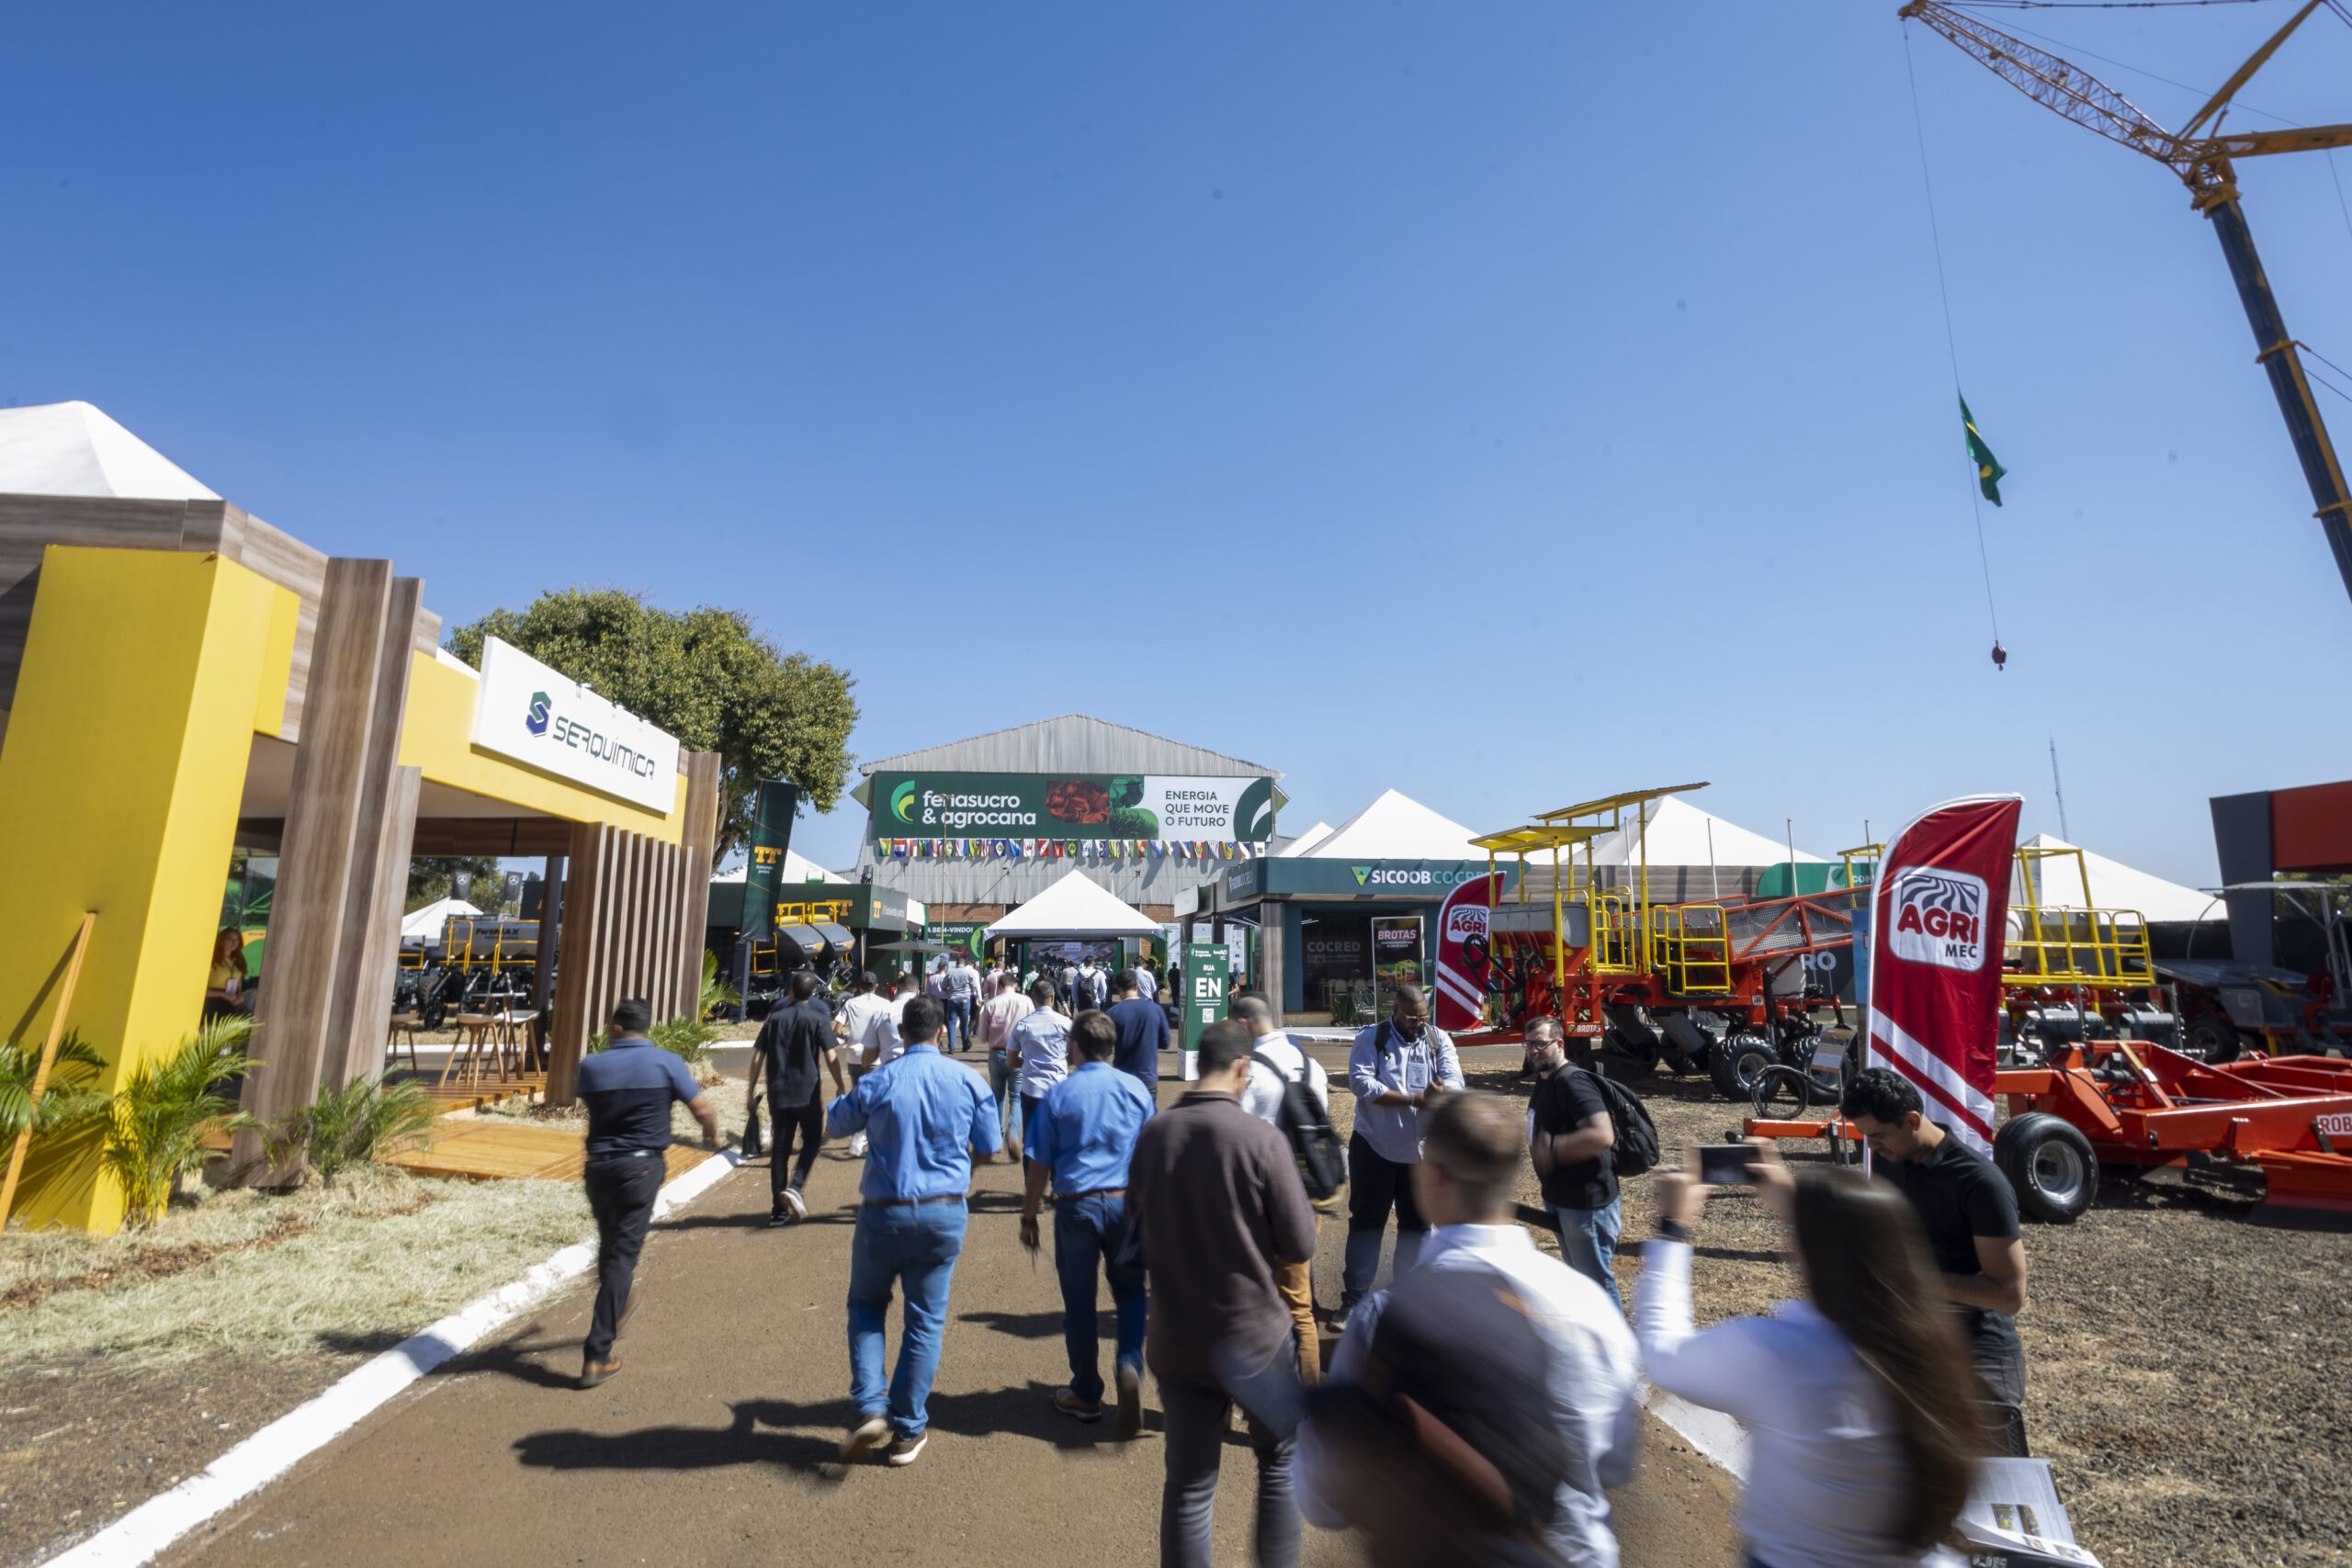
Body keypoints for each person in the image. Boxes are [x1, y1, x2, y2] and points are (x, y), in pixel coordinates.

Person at [1297, 1092, 1641, 1567]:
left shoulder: (1383, 1314)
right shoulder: (1587, 1305)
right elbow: (1616, 1465)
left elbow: (1321, 1498)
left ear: (1433, 1177)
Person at [1632, 1141, 1983, 1568]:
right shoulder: (1935, 1347)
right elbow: (1857, 1249)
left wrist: (1673, 1229)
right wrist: (1804, 1208)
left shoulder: (1778, 1352)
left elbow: (1663, 1356)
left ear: (1803, 1250)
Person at [1129, 1018, 1318, 1568]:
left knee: (1189, 1487)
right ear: (1242, 1066)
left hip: (1177, 1336)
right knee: (1279, 1462)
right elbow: (1299, 1243)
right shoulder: (1261, 1139)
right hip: (1254, 1337)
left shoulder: (1155, 1133)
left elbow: (1133, 1226)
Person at [824, 995, 1003, 1467]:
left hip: (883, 1212)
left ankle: (870, 1403)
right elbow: (989, 1143)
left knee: (866, 1306)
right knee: (924, 1320)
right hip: (943, 1212)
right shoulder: (968, 1080)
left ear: (902, 1033)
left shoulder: (881, 1078)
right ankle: (907, 1428)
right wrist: (963, 1170)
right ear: (941, 1032)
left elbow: (837, 1124)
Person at [1840, 1066, 2032, 1457]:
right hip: (1914, 1349)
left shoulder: (1981, 1183)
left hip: (1979, 1360)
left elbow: (2010, 1294)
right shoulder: (1890, 1161)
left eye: (1878, 1136)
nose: (1872, 1147)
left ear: (1912, 1120)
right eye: (1865, 1137)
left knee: (1997, 1486)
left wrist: (1913, 1281)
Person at [571, 998, 719, 1388]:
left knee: (609, 1245)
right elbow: (702, 1110)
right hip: (641, 1168)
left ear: (618, 1028)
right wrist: (711, 1135)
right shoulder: (667, 1062)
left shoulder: (591, 1065)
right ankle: (597, 1354)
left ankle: (617, 1302)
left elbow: (590, 1102)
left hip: (598, 1167)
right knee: (622, 1257)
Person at [1021, 1008, 1155, 1435]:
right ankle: (1129, 1363)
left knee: (1079, 1302)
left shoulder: (1059, 1094)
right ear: (1111, 1047)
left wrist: (1029, 1215)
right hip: (1125, 1205)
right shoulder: (1135, 1089)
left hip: (1075, 1206)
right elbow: (1152, 1150)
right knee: (1130, 1291)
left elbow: (1040, 1163)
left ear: (1074, 1047)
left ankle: (1086, 1391)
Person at [1340, 985, 1464, 1324]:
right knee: (1367, 1223)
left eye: (1423, 1018)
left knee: (1416, 1228)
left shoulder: (1437, 1039)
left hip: (1421, 1155)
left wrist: (1443, 1092)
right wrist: (1413, 1099)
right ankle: (1354, 1300)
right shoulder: (1372, 1038)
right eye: (1411, 1018)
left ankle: (1406, 1303)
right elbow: (1361, 1083)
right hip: (1374, 1148)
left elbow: (1456, 1080)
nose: (1418, 1024)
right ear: (1394, 1010)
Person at [1234, 992, 1329, 1383]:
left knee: (1254, 1298)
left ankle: (1255, 1394)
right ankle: (1309, 1395)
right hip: (1307, 1190)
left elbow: (1238, 1137)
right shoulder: (1311, 1065)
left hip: (1263, 1197)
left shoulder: (1250, 1071)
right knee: (1298, 1302)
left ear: (1243, 1025)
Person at [1523, 1016, 1622, 1307]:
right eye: (1528, 1044)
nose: (1533, 1050)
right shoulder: (1545, 1079)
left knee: (1596, 1285)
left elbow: (1602, 1135)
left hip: (1585, 1204)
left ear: (1560, 1044)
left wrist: (1553, 1149)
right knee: (1581, 1282)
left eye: (1540, 1043)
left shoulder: (1572, 1082)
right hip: (1561, 1199)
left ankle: (1614, 1335)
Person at [746, 969, 849, 1225]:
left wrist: (750, 1091)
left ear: (790, 990)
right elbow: (831, 1056)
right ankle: (796, 1185)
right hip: (807, 1093)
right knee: (812, 1140)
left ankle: (777, 1211)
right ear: (813, 992)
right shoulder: (817, 1018)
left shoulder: (774, 1019)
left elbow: (757, 1057)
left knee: (780, 1149)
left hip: (778, 1093)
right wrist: (840, 1085)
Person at [833, 971, 894, 1159]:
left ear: (859, 987)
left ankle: (859, 1134)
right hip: (875, 1056)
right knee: (874, 1099)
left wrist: (847, 1037)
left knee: (859, 1096)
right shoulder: (885, 1004)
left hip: (854, 1056)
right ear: (876, 986)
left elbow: (837, 1029)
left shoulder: (850, 1003)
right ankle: (863, 1137)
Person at [975, 971, 1035, 1140]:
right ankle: (1014, 1133)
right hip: (1019, 1053)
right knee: (1016, 1096)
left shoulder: (991, 1004)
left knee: (997, 1095)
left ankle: (996, 1133)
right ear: (1015, 985)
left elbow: (982, 1035)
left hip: (996, 1052)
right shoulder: (1026, 1001)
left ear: (999, 986)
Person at [1008, 978, 1073, 1130]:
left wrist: (1029, 1062)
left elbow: (1010, 1061)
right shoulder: (1066, 1023)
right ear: (1052, 997)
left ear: (1033, 998)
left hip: (1031, 1088)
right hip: (1058, 1087)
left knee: (1031, 1137)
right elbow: (1075, 1055)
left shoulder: (1023, 1025)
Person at [1107, 967, 1170, 1102]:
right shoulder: (1156, 1009)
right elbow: (1165, 1042)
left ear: (1119, 989)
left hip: (1122, 1077)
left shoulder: (1112, 1013)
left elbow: (1105, 1047)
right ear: (1137, 986)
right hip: (1147, 1077)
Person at [204, 927, 249, 1021]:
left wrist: (240, 994)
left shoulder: (238, 960)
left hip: (230, 1002)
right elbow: (200, 990)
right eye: (229, 939)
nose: (234, 942)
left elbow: (239, 982)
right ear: (221, 941)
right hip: (212, 1003)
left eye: (237, 939)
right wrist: (223, 994)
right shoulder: (212, 960)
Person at [946, 950, 982, 1053]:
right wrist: (979, 999)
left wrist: (950, 989)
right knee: (964, 1023)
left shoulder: (950, 972)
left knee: (951, 1023)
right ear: (964, 963)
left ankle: (952, 1046)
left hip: (952, 999)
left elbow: (944, 986)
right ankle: (965, 1045)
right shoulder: (969, 972)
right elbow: (975, 986)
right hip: (965, 999)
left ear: (956, 963)